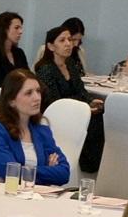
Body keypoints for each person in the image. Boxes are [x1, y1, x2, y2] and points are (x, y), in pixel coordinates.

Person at [0, 70, 69, 185]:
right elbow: (11, 173)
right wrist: (48, 170)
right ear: (11, 101)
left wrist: (24, 171)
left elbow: (64, 173)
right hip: (1, 194)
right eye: (28, 93)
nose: (37, 98)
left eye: (38, 91)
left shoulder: (42, 131)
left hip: (36, 195)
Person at [34, 23, 103, 173]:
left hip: (77, 109)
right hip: (57, 114)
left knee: (101, 114)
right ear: (51, 46)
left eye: (70, 40)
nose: (68, 44)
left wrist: (90, 101)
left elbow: (80, 90)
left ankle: (94, 164)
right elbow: (54, 102)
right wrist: (83, 109)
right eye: (62, 40)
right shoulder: (45, 69)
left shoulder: (70, 64)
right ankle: (86, 163)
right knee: (93, 121)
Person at [0, 12, 29, 89]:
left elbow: (27, 76)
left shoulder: (19, 53)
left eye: (21, 28)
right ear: (4, 29)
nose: (21, 32)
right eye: (16, 28)